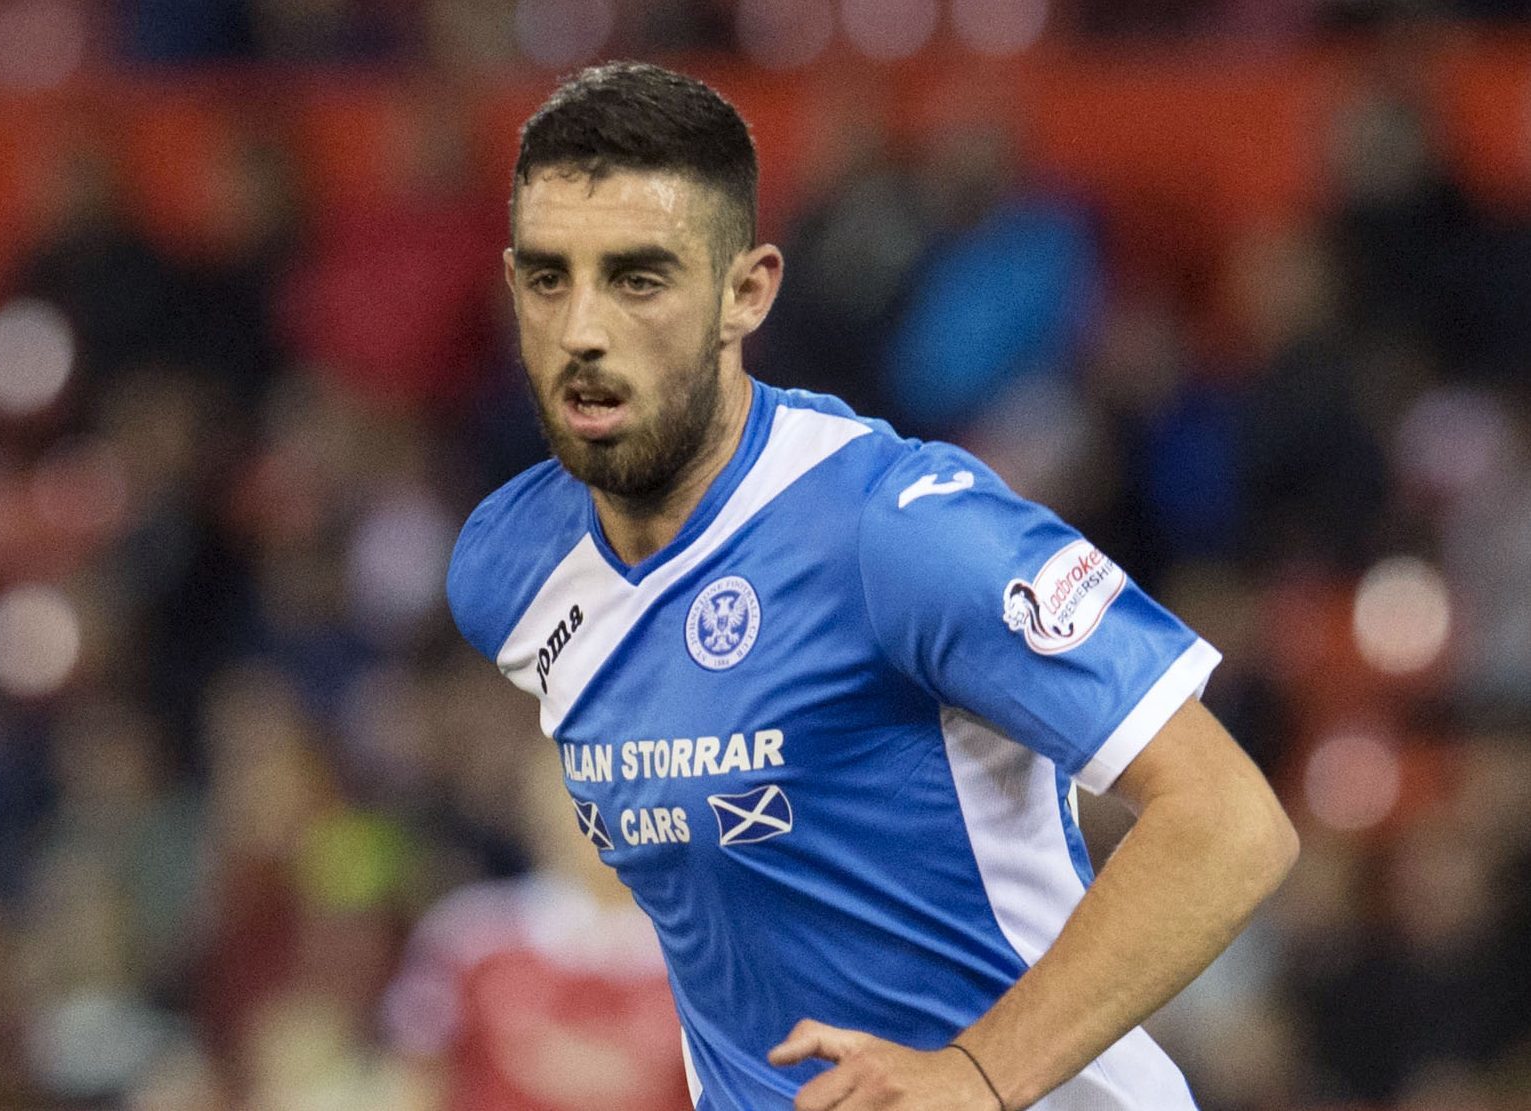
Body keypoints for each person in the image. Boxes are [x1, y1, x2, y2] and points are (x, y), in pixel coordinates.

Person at [447, 62, 1299, 1111]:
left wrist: (975, 1073)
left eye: (638, 278)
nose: (582, 330)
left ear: (745, 291)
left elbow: (1229, 822)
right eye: (548, 278)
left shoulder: (897, 529)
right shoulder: (507, 570)